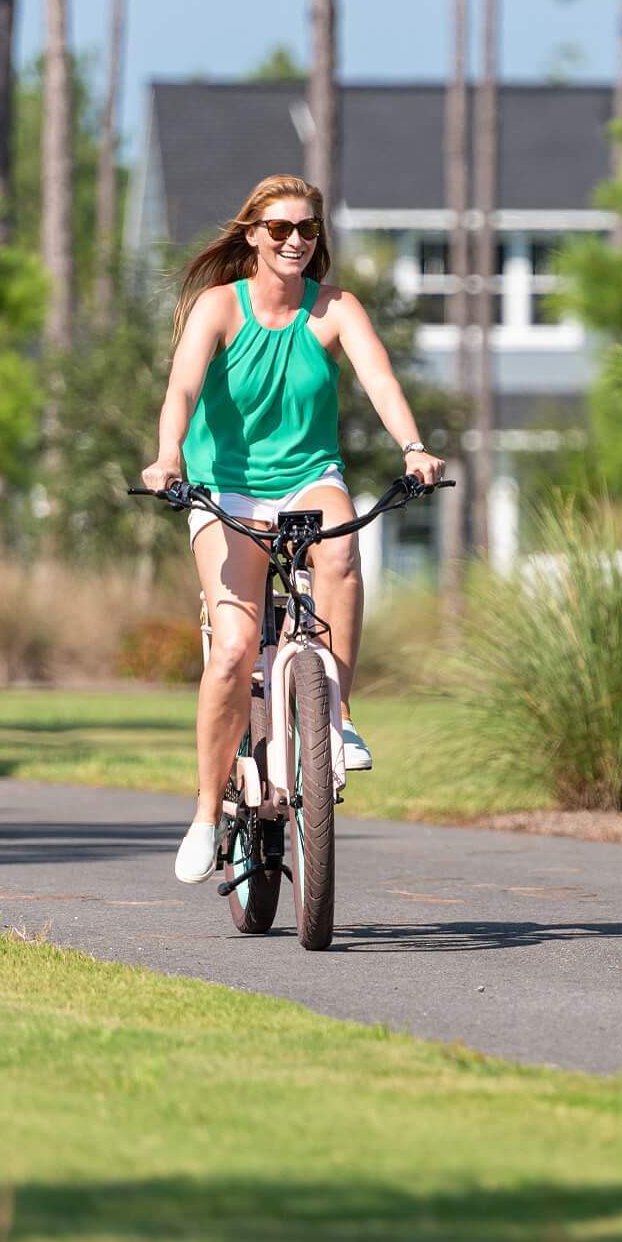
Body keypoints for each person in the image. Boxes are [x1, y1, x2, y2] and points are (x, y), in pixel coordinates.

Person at [142, 173, 446, 884]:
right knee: (235, 646)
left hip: (309, 475)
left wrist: (413, 447)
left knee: (341, 559)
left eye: (306, 229)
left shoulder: (334, 309)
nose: (294, 242)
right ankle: (205, 812)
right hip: (228, 488)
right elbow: (181, 388)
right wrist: (166, 458)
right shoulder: (221, 308)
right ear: (252, 235)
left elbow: (380, 381)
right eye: (279, 229)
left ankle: (334, 716)